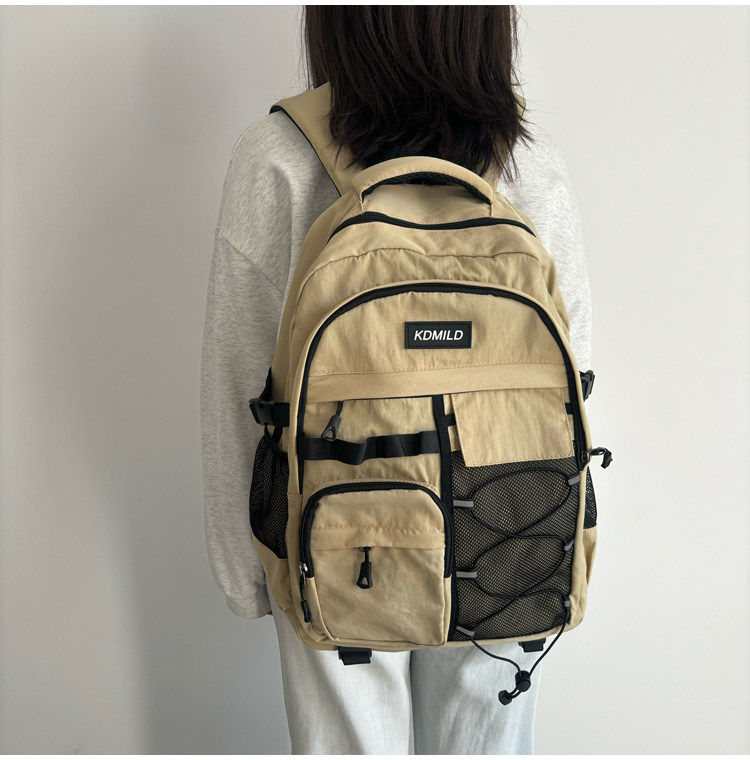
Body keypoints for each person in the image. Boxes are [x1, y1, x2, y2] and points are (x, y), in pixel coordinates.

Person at [202, 6, 591, 754]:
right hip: (513, 515)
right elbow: (574, 391)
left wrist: (243, 567)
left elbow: (236, 376)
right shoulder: (527, 164)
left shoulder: (277, 155)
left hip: (333, 522)